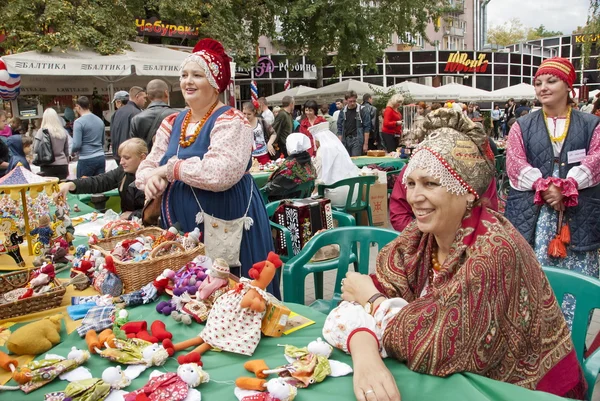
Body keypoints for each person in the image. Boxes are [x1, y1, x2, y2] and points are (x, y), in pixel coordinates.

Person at [323, 108, 587, 401]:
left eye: (431, 183)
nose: (414, 197)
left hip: (520, 390)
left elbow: (435, 349)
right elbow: (344, 310)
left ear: (469, 192)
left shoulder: (494, 251)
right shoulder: (418, 239)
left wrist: (372, 300)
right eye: (411, 183)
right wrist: (364, 353)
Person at [135, 38, 277, 297]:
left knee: (233, 295)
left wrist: (168, 171)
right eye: (184, 75)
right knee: (191, 296)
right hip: (183, 227)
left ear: (214, 83)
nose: (188, 81)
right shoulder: (171, 121)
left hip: (227, 226)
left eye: (197, 75)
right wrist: (150, 180)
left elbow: (219, 173)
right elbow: (148, 165)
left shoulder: (231, 120)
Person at [505, 57, 600, 328]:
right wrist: (544, 186)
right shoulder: (521, 126)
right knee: (535, 282)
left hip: (578, 217)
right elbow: (514, 164)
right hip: (535, 218)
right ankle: (537, 345)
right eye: (538, 83)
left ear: (568, 85)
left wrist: (569, 185)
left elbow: (597, 159)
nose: (542, 87)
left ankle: (574, 344)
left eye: (551, 81)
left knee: (577, 285)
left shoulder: (591, 125)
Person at [59, 138, 147, 220]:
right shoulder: (122, 172)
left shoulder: (152, 177)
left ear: (142, 157)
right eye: (121, 157)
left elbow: (156, 210)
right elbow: (100, 181)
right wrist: (72, 184)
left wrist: (134, 214)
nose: (121, 162)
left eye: (127, 158)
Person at [310, 122, 360, 207]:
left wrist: (312, 194)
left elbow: (319, 179)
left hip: (336, 195)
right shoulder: (338, 146)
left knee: (311, 199)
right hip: (353, 194)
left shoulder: (323, 150)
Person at [262, 133, 316, 202]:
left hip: (285, 204)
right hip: (302, 200)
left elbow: (270, 189)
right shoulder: (308, 161)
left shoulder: (290, 166)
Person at [130, 79, 177, 151]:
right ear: (166, 93)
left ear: (148, 96)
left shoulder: (136, 119)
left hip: (146, 159)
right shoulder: (177, 115)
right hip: (171, 160)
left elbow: (134, 148)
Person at [72, 96, 106, 178]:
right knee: (100, 186)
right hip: (100, 157)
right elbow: (103, 141)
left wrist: (71, 152)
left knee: (83, 187)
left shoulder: (79, 122)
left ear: (78, 107)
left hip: (86, 158)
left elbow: (77, 144)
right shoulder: (99, 120)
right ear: (89, 105)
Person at [111, 87, 146, 163]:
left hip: (118, 154)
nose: (145, 100)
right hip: (130, 155)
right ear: (137, 97)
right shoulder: (136, 113)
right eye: (144, 98)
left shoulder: (117, 112)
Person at [34, 108, 70, 180]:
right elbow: (66, 151)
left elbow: (35, 149)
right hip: (63, 164)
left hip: (48, 165)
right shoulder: (63, 131)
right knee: (62, 188)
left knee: (50, 190)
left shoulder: (42, 131)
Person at [337, 90, 371, 156]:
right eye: (350, 101)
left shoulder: (362, 110)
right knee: (346, 160)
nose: (352, 103)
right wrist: (340, 142)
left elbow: (367, 128)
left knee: (356, 160)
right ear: (346, 101)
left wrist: (365, 144)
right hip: (345, 139)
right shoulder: (342, 111)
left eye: (354, 101)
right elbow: (339, 128)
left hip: (357, 139)